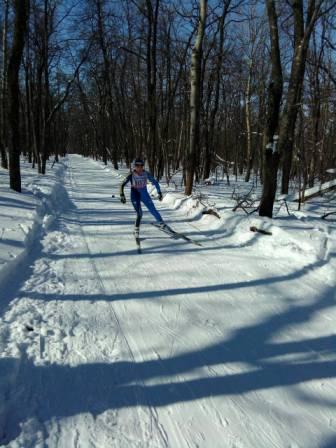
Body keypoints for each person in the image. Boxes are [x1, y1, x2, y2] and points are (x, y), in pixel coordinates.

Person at [119, 159, 165, 236]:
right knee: (140, 213)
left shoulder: (146, 173)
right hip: (135, 195)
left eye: (141, 166)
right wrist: (122, 195)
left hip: (144, 195)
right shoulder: (131, 175)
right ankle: (136, 230)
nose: (139, 167)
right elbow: (122, 185)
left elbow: (155, 182)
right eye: (137, 165)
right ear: (134, 166)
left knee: (153, 209)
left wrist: (159, 192)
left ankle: (161, 223)